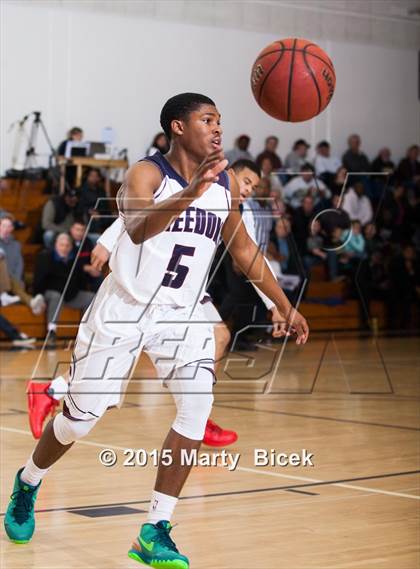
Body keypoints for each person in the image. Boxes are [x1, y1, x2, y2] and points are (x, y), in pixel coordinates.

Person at [4, 93, 308, 569]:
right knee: (80, 422)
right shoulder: (146, 174)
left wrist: (285, 306)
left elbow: (245, 250)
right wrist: (191, 191)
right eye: (207, 119)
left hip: (180, 313)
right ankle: (28, 481)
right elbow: (140, 227)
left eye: (220, 120)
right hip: (124, 309)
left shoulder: (224, 184)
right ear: (178, 127)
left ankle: (154, 529)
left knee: (197, 407)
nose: (217, 128)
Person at [27, 218, 237, 447]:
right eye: (245, 185)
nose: (246, 195)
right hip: (158, 284)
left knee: (220, 335)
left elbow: (249, 250)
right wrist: (108, 240)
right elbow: (140, 208)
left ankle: (198, 415)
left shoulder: (230, 206)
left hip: (186, 286)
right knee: (114, 363)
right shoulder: (199, 195)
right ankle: (51, 391)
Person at [32, 233, 95, 348]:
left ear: (71, 247)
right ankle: (51, 332)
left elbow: (81, 280)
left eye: (67, 245)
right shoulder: (45, 257)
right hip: (50, 293)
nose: (64, 248)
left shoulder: (75, 259)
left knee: (91, 297)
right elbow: (39, 279)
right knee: (56, 296)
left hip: (70, 295)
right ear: (56, 245)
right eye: (62, 245)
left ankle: (85, 332)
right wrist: (38, 295)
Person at [0, 215, 45, 314]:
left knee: (18, 283)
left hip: (12, 280)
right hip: (2, 279)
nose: (6, 229)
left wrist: (16, 279)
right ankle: (31, 301)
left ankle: (31, 303)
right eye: (4, 226)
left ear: (12, 228)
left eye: (9, 226)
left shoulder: (16, 245)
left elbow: (19, 264)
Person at [79, 168, 112, 241]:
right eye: (91, 176)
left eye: (96, 176)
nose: (94, 178)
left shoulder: (101, 191)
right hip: (88, 217)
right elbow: (79, 206)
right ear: (87, 177)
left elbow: (106, 206)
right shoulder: (81, 190)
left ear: (99, 178)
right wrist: (89, 210)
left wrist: (100, 213)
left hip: (101, 216)